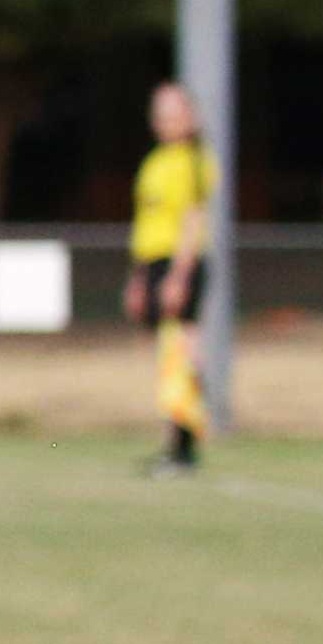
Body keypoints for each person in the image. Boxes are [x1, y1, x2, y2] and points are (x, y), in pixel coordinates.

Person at [126, 78, 214, 477]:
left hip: (181, 264)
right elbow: (148, 224)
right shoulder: (156, 161)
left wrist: (179, 276)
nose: (165, 120)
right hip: (155, 264)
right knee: (168, 356)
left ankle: (185, 445)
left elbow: (192, 220)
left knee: (182, 352)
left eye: (173, 111)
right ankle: (174, 443)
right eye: (159, 112)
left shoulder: (194, 160)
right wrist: (140, 277)